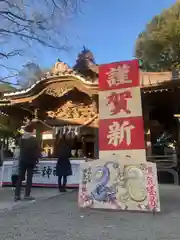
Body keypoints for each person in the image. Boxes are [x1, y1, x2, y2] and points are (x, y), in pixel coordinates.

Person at [14, 125, 40, 201]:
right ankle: (27, 195)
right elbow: (37, 151)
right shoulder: (34, 139)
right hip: (30, 161)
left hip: (22, 160)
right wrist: (37, 158)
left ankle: (16, 195)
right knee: (29, 178)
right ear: (31, 131)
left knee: (20, 178)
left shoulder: (21, 139)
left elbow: (18, 137)